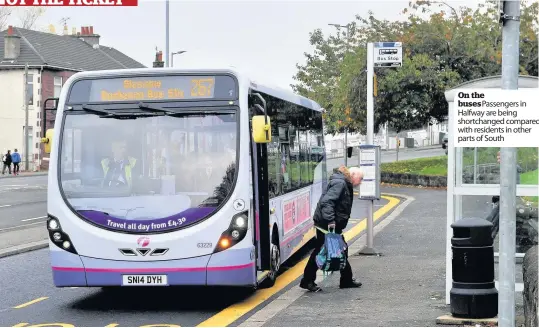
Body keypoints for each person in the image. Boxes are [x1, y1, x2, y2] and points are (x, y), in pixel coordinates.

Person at [300, 165, 364, 292]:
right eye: (360, 178)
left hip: (329, 223)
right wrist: (330, 220)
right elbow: (327, 202)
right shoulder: (340, 184)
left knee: (339, 249)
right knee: (322, 251)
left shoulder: (342, 182)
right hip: (327, 224)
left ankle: (345, 279)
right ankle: (308, 281)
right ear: (353, 175)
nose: (360, 182)